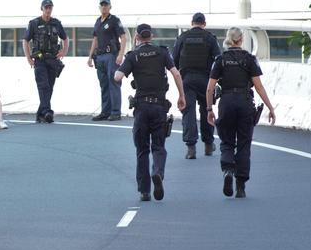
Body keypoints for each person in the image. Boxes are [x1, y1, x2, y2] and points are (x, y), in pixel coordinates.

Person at [115, 24, 186, 201]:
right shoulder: (162, 52)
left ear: (137, 37)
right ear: (152, 36)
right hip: (159, 107)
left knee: (142, 150)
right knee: (159, 146)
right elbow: (176, 74)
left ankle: (144, 191)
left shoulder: (133, 56)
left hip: (141, 108)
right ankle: (158, 173)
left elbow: (117, 76)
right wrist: (181, 96)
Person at [205, 27, 276, 198]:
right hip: (245, 103)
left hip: (227, 102)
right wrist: (270, 107)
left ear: (229, 39)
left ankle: (228, 170)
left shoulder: (220, 60)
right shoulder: (249, 59)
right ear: (241, 39)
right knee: (244, 144)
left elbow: (210, 88)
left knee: (227, 141)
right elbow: (258, 86)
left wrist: (209, 109)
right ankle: (241, 186)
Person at [173, 12, 221, 159]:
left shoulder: (183, 37)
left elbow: (174, 60)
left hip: (186, 79)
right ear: (204, 23)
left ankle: (191, 148)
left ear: (191, 22)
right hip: (205, 80)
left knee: (189, 112)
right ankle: (208, 145)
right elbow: (218, 60)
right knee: (207, 110)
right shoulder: (210, 38)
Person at [22, 0, 70, 123]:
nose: (48, 10)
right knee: (43, 86)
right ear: (42, 9)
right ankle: (48, 112)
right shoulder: (34, 23)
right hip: (39, 59)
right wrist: (28, 58)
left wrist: (64, 51)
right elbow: (25, 41)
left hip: (53, 59)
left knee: (49, 87)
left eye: (50, 8)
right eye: (46, 7)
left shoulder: (56, 23)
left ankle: (40, 114)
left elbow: (65, 38)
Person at [88, 0, 128, 121]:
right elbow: (95, 40)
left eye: (106, 5)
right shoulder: (97, 21)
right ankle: (105, 112)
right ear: (99, 7)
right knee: (104, 84)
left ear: (110, 7)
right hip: (99, 57)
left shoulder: (114, 20)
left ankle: (115, 112)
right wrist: (90, 56)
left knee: (114, 83)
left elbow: (123, 37)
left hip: (111, 55)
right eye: (102, 5)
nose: (104, 7)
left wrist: (121, 54)